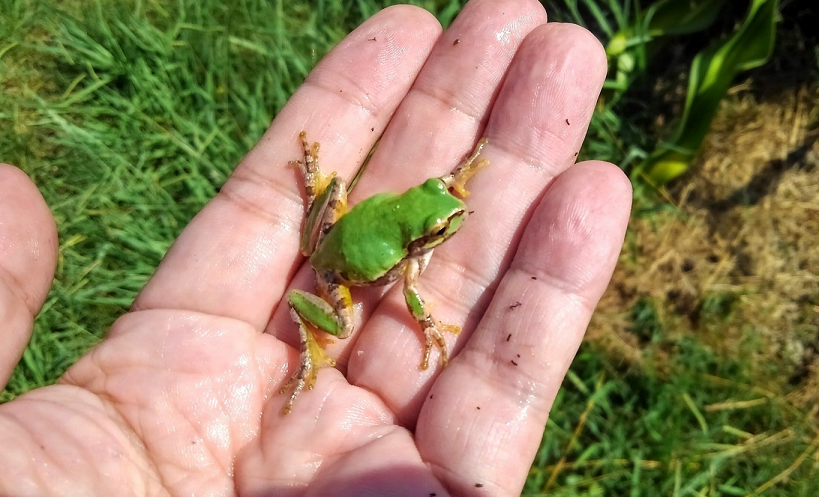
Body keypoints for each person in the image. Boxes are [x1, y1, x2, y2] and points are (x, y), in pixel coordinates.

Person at [0, 0, 631, 495]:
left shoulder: (421, 198)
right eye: (443, 227)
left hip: (336, 229)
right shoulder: (410, 262)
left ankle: (317, 191)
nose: (449, 222)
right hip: (336, 273)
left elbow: (431, 192)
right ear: (427, 238)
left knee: (337, 195)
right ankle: (307, 337)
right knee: (345, 318)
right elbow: (410, 290)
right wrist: (429, 324)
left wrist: (448, 181)